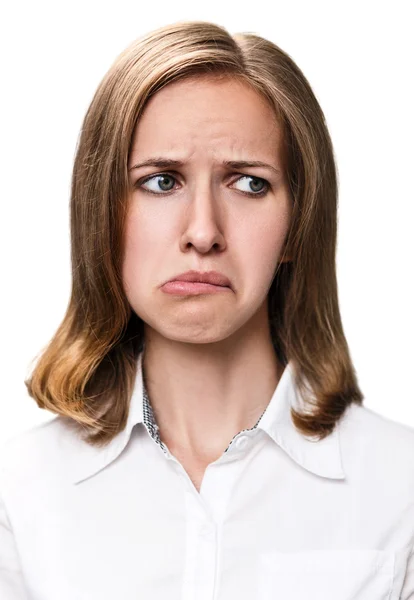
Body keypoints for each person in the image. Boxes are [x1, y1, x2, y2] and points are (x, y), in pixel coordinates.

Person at [0, 20, 413, 600]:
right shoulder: (18, 490)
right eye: (161, 181)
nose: (202, 232)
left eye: (248, 184)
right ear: (103, 215)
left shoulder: (401, 488)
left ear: (298, 222)